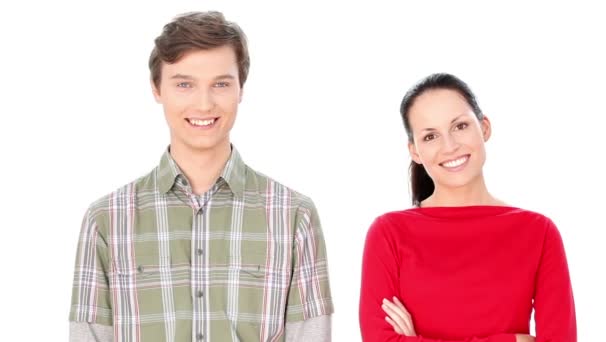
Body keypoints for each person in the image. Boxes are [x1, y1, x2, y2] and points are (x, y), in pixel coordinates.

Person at [69, 11, 333, 342]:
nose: (204, 104)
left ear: (241, 89)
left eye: (220, 84)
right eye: (184, 84)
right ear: (157, 89)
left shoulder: (295, 215)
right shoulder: (106, 219)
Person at [359, 73, 576, 341]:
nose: (450, 146)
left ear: (484, 128)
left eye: (460, 126)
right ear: (415, 151)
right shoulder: (389, 233)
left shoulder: (538, 232)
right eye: (430, 136)